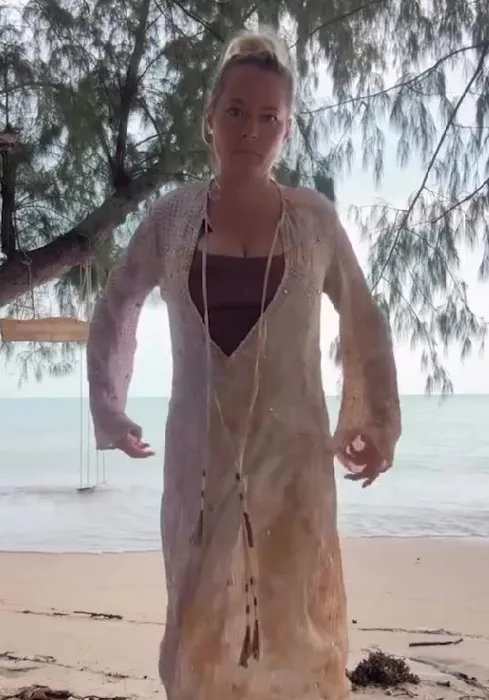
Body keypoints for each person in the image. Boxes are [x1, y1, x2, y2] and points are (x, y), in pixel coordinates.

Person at [86, 27, 401, 700]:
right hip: (198, 468)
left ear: (287, 128)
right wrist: (108, 408)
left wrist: (372, 423)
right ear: (210, 117)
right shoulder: (171, 219)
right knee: (197, 629)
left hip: (293, 470)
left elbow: (363, 316)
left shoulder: (313, 221)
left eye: (268, 117)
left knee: (297, 632)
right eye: (235, 111)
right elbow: (117, 302)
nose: (250, 130)